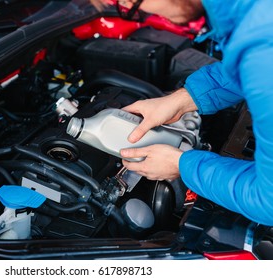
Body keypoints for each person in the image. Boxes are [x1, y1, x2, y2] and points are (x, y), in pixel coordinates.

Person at [90, 0, 273, 226]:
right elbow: (248, 66)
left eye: (128, 3)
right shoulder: (252, 16)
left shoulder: (261, 49)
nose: (144, 13)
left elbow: (268, 201)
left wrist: (183, 166)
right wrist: (183, 99)